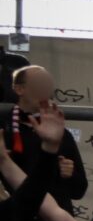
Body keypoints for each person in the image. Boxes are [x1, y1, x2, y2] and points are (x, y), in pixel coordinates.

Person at [6, 65, 86, 210]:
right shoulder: (5, 128)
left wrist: (70, 175)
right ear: (19, 89)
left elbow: (79, 190)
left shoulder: (62, 134)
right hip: (15, 218)